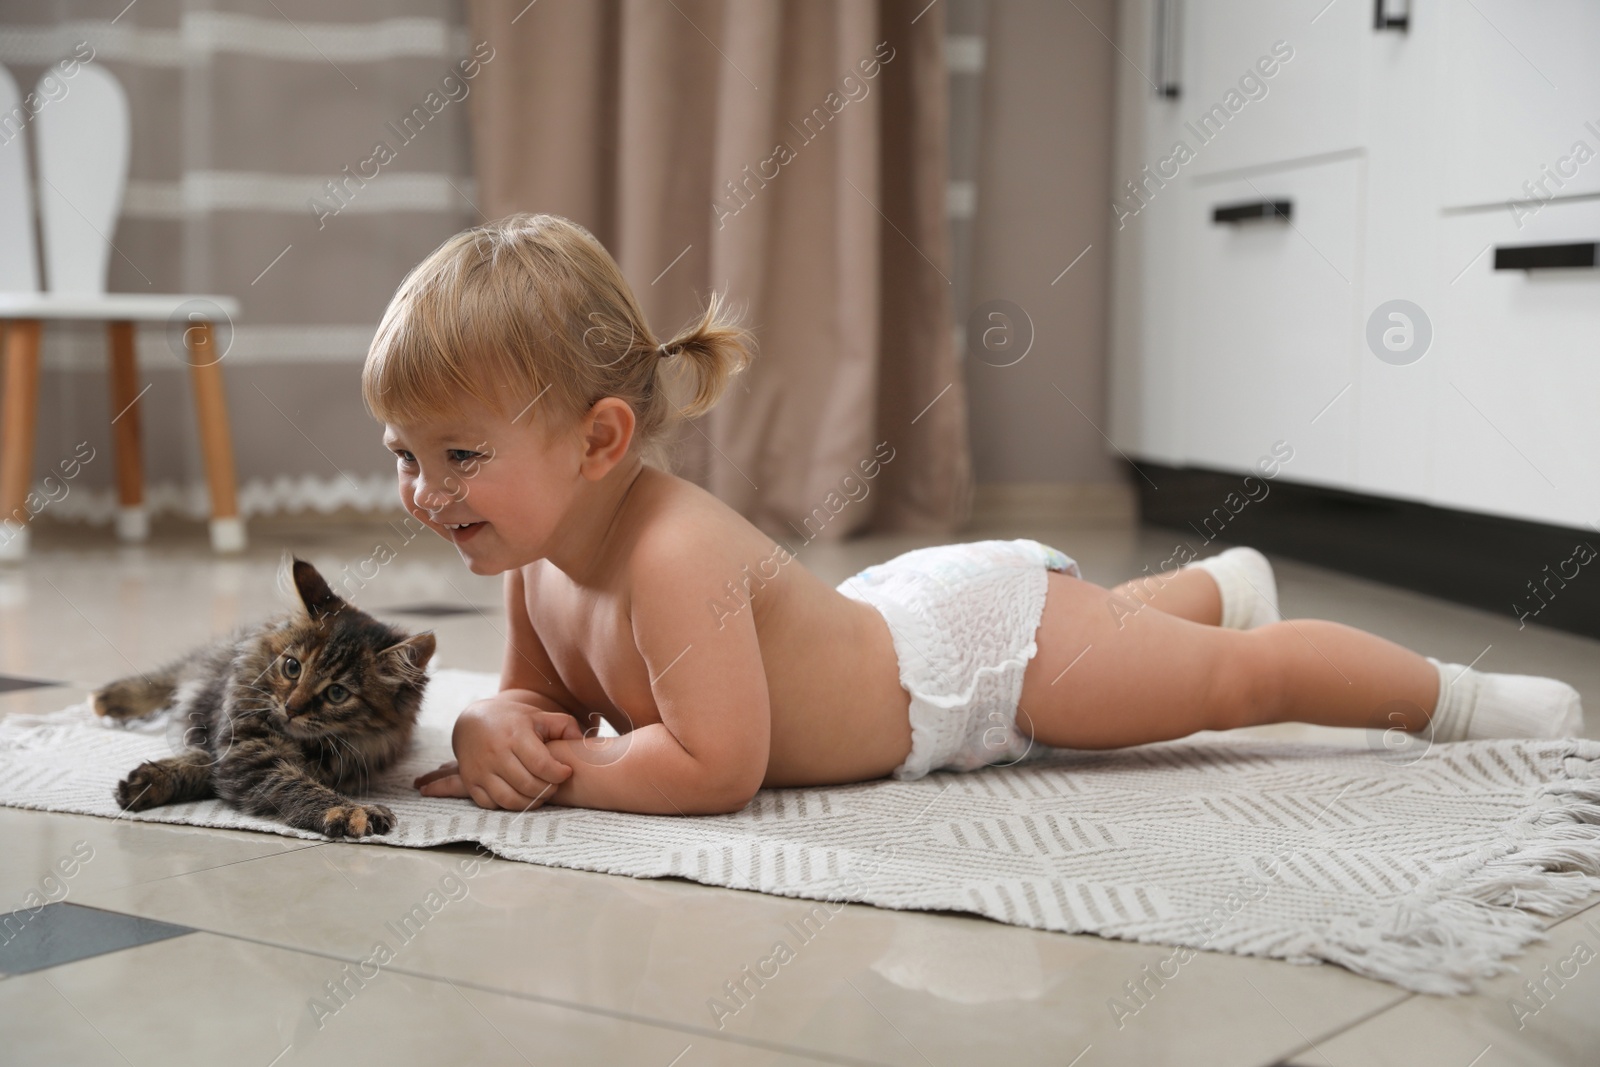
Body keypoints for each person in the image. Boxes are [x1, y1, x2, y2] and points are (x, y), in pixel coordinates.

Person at [361, 213, 1584, 817]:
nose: (427, 491)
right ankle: (1216, 586)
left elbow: (714, 766)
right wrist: (493, 733)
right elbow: (539, 698)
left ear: (599, 440)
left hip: (977, 666)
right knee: (1144, 639)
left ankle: (1455, 699)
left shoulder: (671, 551)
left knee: (1233, 689)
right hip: (895, 622)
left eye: (460, 453)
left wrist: (556, 780)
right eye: (405, 455)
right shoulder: (536, 561)